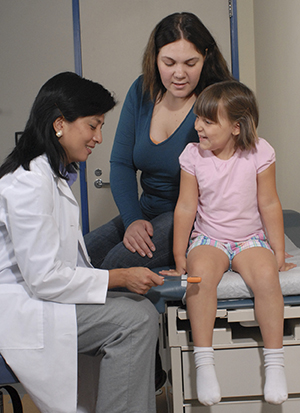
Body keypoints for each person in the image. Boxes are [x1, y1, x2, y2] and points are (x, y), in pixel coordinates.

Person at [0, 71, 164, 413]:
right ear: (60, 123)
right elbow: (44, 277)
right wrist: (119, 278)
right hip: (22, 309)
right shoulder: (29, 183)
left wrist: (116, 283)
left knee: (139, 311)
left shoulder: (51, 177)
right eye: (93, 125)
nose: (99, 137)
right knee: (135, 321)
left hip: (41, 300)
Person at [161, 80, 296, 406]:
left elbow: (269, 203)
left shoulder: (259, 152)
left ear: (236, 127)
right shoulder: (192, 156)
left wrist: (278, 253)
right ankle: (204, 363)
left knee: (266, 277)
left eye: (208, 121)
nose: (198, 127)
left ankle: (275, 362)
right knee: (201, 277)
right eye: (198, 119)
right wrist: (180, 255)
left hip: (250, 239)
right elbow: (186, 206)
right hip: (209, 238)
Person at [84, 12, 233, 271]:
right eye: (169, 62)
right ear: (155, 58)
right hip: (147, 210)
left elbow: (234, 174)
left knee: (115, 265)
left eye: (190, 63)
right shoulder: (142, 90)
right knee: (79, 256)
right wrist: (132, 220)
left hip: (193, 217)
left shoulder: (218, 101)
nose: (179, 73)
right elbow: (121, 163)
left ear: (206, 58)